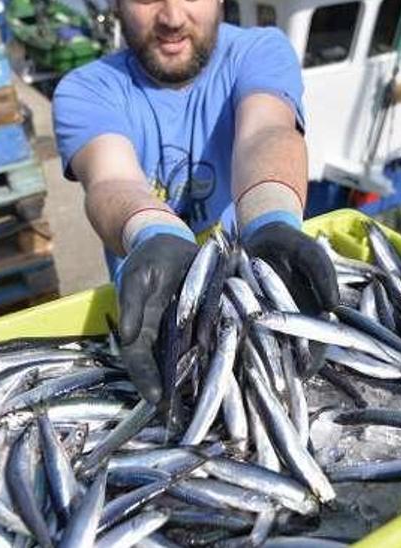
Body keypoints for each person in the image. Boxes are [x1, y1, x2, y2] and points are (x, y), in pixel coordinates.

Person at [52, 0, 337, 403]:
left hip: (256, 297)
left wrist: (269, 217)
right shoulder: (86, 89)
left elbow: (265, 131)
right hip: (152, 316)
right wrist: (153, 233)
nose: (171, 18)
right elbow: (111, 178)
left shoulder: (258, 51)